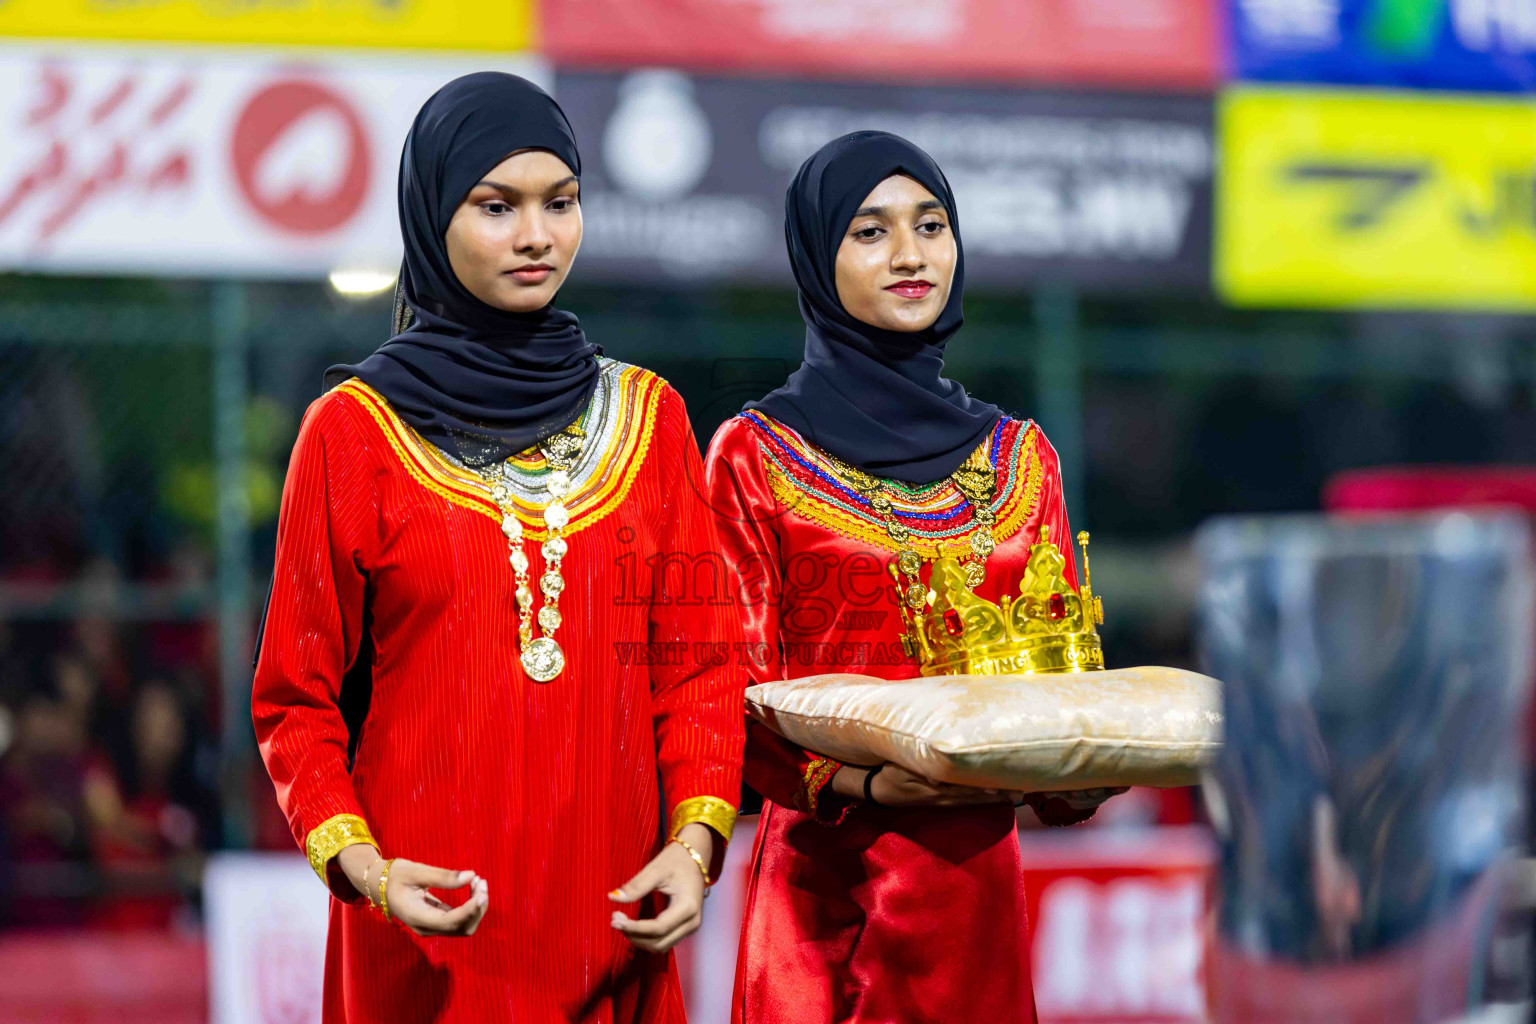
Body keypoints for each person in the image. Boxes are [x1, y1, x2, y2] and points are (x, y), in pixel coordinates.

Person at [252, 72, 743, 1023]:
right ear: (434, 212)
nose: (536, 236)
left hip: (616, 922)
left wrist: (694, 848)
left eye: (561, 203)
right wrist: (368, 872)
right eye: (496, 206)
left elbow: (702, 669)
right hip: (423, 933)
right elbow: (294, 700)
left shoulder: (650, 419)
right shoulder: (351, 434)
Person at [704, 131, 1114, 1024]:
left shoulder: (1022, 458)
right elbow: (726, 687)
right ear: (817, 257)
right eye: (869, 231)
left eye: (931, 225)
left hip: (975, 889)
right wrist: (868, 785)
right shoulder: (754, 454)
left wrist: (1085, 764)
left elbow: (1059, 676)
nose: (909, 254)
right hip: (825, 888)